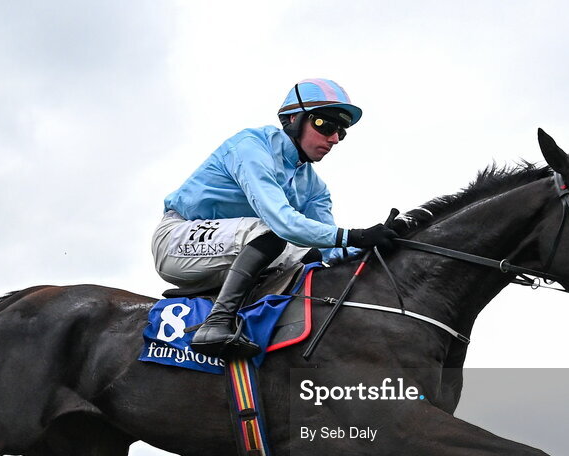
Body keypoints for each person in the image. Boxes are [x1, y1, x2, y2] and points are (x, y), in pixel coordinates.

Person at [152, 78, 398, 359]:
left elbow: (330, 249)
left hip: (232, 254)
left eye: (341, 132)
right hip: (175, 243)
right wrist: (356, 235)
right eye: (325, 125)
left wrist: (377, 248)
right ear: (294, 119)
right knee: (271, 233)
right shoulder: (251, 147)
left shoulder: (315, 188)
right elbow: (283, 223)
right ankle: (215, 324)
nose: (333, 139)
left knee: (311, 256)